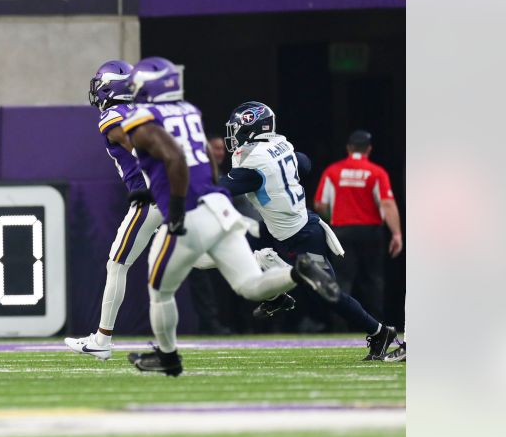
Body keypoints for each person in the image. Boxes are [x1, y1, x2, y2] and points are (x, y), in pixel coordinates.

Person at [117, 57, 340, 377]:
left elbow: (174, 157)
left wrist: (176, 209)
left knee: (159, 288)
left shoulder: (142, 121)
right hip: (218, 208)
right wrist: (206, 182)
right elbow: (206, 152)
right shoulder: (189, 112)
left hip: (191, 212)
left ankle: (168, 357)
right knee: (249, 284)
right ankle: (298, 273)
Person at [220, 102, 401, 360]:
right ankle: (279, 295)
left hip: (303, 236)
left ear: (252, 129)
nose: (233, 136)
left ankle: (382, 332)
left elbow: (218, 190)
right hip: (289, 233)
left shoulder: (255, 164)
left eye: (237, 129)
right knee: (248, 257)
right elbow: (305, 163)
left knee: (330, 295)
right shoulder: (278, 148)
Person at [63, 60, 167, 360]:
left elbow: (146, 151)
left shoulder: (113, 115)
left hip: (152, 198)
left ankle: (102, 339)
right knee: (194, 258)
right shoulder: (145, 112)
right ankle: (261, 262)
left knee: (117, 264)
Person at [313, 130, 404, 322]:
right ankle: (376, 326)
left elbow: (320, 204)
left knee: (342, 281)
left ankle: (338, 326)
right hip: (371, 232)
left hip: (342, 232)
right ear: (369, 149)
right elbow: (387, 203)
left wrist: (333, 220)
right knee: (373, 280)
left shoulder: (333, 171)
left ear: (348, 148)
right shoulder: (377, 172)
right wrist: (396, 234)